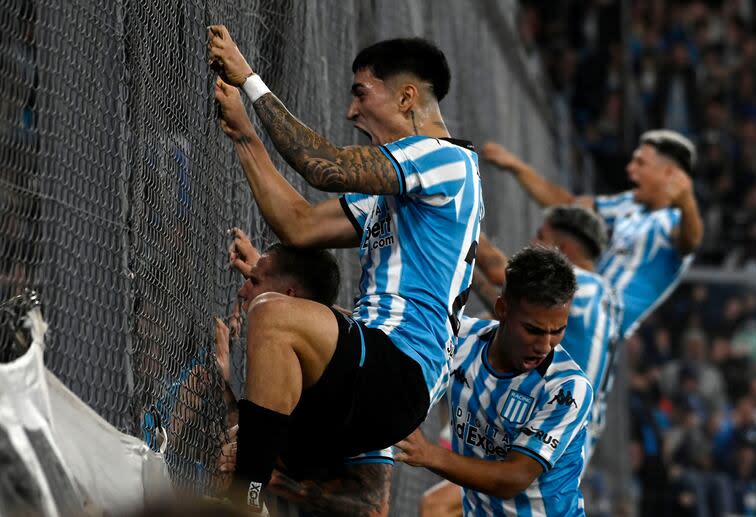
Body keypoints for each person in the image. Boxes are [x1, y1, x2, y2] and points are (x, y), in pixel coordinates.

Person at [209, 27, 482, 511]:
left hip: (398, 369)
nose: (351, 112)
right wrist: (243, 135)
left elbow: (324, 166)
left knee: (272, 314)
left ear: (406, 97)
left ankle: (242, 501)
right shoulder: (396, 190)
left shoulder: (446, 161)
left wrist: (250, 81)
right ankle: (253, 485)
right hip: (371, 375)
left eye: (361, 94)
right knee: (249, 429)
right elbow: (301, 224)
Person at [396, 246, 594, 517]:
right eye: (533, 330)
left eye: (557, 331)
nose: (544, 346)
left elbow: (513, 478)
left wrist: (429, 454)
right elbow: (391, 334)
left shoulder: (567, 388)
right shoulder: (461, 339)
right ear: (502, 309)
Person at [217, 228, 392, 517]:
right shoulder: (280, 352)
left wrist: (274, 480)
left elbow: (375, 509)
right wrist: (221, 385)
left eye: (253, 280)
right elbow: (253, 440)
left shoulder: (360, 392)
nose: (242, 290)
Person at [482, 129, 703, 337]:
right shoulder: (630, 205)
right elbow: (569, 204)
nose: (630, 168)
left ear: (669, 173)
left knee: (503, 281)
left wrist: (687, 201)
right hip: (580, 305)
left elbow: (690, 241)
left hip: (600, 320)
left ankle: (465, 237)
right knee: (491, 326)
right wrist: (517, 167)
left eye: (640, 163)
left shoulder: (674, 223)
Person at [473, 205, 622, 464]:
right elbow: (503, 317)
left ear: (565, 249)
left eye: (541, 237)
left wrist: (459, 218)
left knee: (439, 503)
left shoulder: (583, 286)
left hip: (550, 433)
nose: (533, 243)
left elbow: (499, 271)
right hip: (571, 437)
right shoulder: (605, 299)